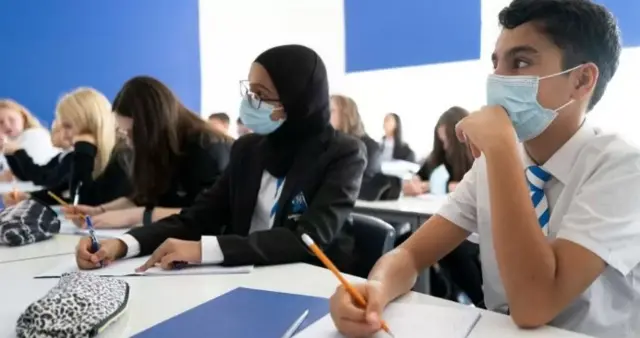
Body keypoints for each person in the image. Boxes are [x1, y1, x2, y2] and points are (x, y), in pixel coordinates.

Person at [330, 1, 639, 337]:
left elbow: (535, 305)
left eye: (520, 62)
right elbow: (409, 255)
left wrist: (502, 149)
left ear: (581, 80)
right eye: (496, 63)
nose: (497, 80)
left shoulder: (621, 167)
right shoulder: (491, 164)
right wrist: (376, 287)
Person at [75, 44, 366, 273]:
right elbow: (197, 218)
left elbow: (307, 241)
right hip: (246, 278)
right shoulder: (248, 150)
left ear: (298, 100)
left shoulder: (343, 154)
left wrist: (204, 250)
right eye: (249, 91)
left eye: (261, 94)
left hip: (314, 284)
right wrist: (123, 243)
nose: (249, 103)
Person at [65, 76, 233, 229]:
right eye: (124, 133)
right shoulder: (159, 149)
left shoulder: (207, 147)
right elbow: (142, 198)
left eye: (131, 133)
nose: (129, 141)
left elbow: (208, 213)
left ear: (151, 127)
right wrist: (99, 211)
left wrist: (136, 216)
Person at [3, 87, 129, 207]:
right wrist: (28, 197)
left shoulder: (122, 157)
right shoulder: (79, 156)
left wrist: (84, 147)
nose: (62, 134)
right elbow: (61, 190)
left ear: (88, 124)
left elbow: (82, 201)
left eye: (68, 126)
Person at [403, 107, 473, 195]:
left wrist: (439, 186)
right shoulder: (440, 155)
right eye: (442, 141)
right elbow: (420, 176)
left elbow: (476, 188)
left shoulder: (480, 158)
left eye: (448, 141)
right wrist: (413, 183)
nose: (445, 147)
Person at [330, 94, 382, 199]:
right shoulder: (328, 144)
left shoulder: (370, 147)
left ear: (346, 114)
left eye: (332, 111)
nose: (326, 115)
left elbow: (363, 186)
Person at [0, 99, 60, 181]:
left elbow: (24, 171)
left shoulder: (36, 135)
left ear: (23, 118)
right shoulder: (5, 143)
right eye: (0, 122)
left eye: (12, 120)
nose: (7, 125)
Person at [5, 119, 74, 187]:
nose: (51, 134)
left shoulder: (72, 158)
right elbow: (30, 176)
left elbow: (43, 178)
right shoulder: (61, 157)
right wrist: (11, 155)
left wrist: (19, 152)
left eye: (55, 131)